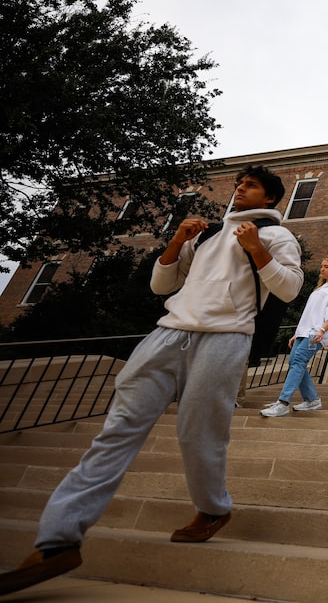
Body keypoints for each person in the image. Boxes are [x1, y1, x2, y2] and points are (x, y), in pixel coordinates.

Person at [0, 165, 303, 596]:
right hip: (168, 334)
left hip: (225, 338)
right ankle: (58, 541)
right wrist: (178, 241)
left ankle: (213, 510)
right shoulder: (205, 235)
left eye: (250, 186)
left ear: (270, 199)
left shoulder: (277, 236)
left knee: (198, 434)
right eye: (239, 184)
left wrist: (258, 251)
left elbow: (290, 289)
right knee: (117, 429)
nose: (240, 189)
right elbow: (162, 285)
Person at [261, 256, 328, 417]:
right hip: (304, 332)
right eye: (321, 265)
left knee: (298, 361)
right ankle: (312, 400)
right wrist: (296, 334)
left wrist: (322, 330)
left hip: (316, 333)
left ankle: (283, 402)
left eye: (326, 266)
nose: (322, 269)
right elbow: (309, 314)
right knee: (295, 362)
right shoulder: (320, 288)